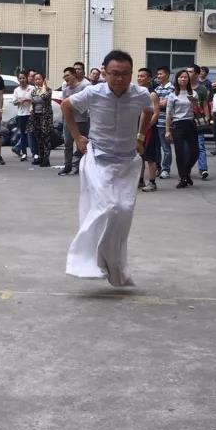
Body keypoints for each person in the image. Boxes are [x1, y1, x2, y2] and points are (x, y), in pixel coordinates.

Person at [62, 49, 153, 287]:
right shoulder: (93, 93)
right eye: (114, 73)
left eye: (125, 73)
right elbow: (66, 105)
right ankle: (87, 261)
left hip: (127, 161)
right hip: (98, 159)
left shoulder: (140, 94)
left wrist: (141, 136)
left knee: (123, 212)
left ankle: (115, 267)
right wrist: (77, 137)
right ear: (105, 72)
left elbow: (149, 110)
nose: (120, 78)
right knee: (109, 207)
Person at [165, 69, 199, 189]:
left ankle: (186, 172)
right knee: (180, 153)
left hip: (190, 123)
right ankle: (183, 178)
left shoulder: (193, 93)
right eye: (181, 77)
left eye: (185, 77)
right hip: (177, 125)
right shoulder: (172, 95)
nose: (183, 79)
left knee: (195, 152)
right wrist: (167, 130)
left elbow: (197, 109)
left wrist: (195, 104)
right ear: (177, 79)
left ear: (188, 79)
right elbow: (169, 113)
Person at [59, 67, 90, 175]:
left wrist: (73, 106)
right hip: (68, 121)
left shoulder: (84, 87)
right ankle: (67, 165)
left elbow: (86, 104)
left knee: (80, 143)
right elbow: (64, 105)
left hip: (81, 120)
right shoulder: (65, 90)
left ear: (74, 75)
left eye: (67, 75)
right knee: (67, 143)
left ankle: (78, 166)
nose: (65, 78)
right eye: (64, 76)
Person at [137, 68, 161, 192]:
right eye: (138, 76)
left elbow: (155, 113)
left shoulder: (152, 94)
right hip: (138, 129)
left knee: (150, 156)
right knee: (139, 155)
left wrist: (146, 127)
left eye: (142, 76)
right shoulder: (137, 93)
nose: (139, 78)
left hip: (149, 130)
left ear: (149, 78)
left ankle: (152, 182)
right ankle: (140, 180)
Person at [29, 71, 54, 167]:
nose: (37, 81)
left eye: (39, 79)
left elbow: (42, 98)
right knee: (38, 137)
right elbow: (33, 100)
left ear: (43, 80)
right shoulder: (34, 91)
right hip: (36, 116)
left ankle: (46, 159)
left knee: (46, 138)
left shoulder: (48, 90)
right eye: (35, 79)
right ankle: (41, 156)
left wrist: (43, 88)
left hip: (45, 117)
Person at [189, 65, 209, 179]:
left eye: (190, 72)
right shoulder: (183, 87)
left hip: (198, 119)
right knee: (187, 147)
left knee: (200, 145)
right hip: (185, 119)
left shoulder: (202, 89)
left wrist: (207, 117)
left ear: (197, 74)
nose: (188, 74)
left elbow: (205, 104)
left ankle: (203, 169)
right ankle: (186, 169)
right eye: (187, 71)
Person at [153, 66, 174, 179]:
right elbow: (151, 103)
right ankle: (158, 168)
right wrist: (157, 103)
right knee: (156, 148)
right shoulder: (157, 88)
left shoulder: (171, 88)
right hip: (154, 121)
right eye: (158, 74)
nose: (158, 76)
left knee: (166, 148)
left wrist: (156, 103)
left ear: (167, 75)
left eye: (160, 74)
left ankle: (166, 169)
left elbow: (164, 104)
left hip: (164, 122)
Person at [11, 71, 34, 161]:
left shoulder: (31, 88)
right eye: (20, 78)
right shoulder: (16, 90)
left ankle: (35, 152)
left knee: (32, 134)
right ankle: (24, 153)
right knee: (23, 134)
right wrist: (19, 101)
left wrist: (27, 99)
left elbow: (35, 99)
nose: (22, 80)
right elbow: (14, 102)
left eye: (23, 78)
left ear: (26, 78)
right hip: (21, 114)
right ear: (18, 80)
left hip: (31, 113)